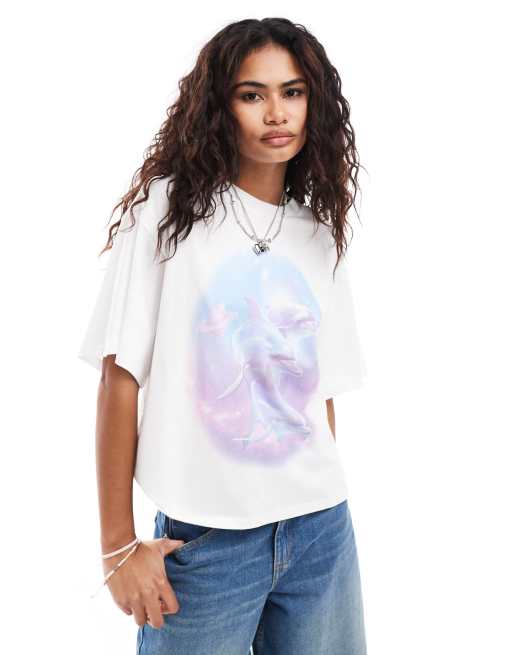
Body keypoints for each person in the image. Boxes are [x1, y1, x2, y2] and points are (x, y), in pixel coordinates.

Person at [78, 16, 368, 655]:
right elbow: (119, 378)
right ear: (219, 106)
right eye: (251, 94)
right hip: (206, 545)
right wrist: (117, 546)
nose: (276, 112)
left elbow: (319, 396)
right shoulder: (168, 215)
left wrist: (302, 488)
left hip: (320, 534)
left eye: (293, 92)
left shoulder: (318, 232)